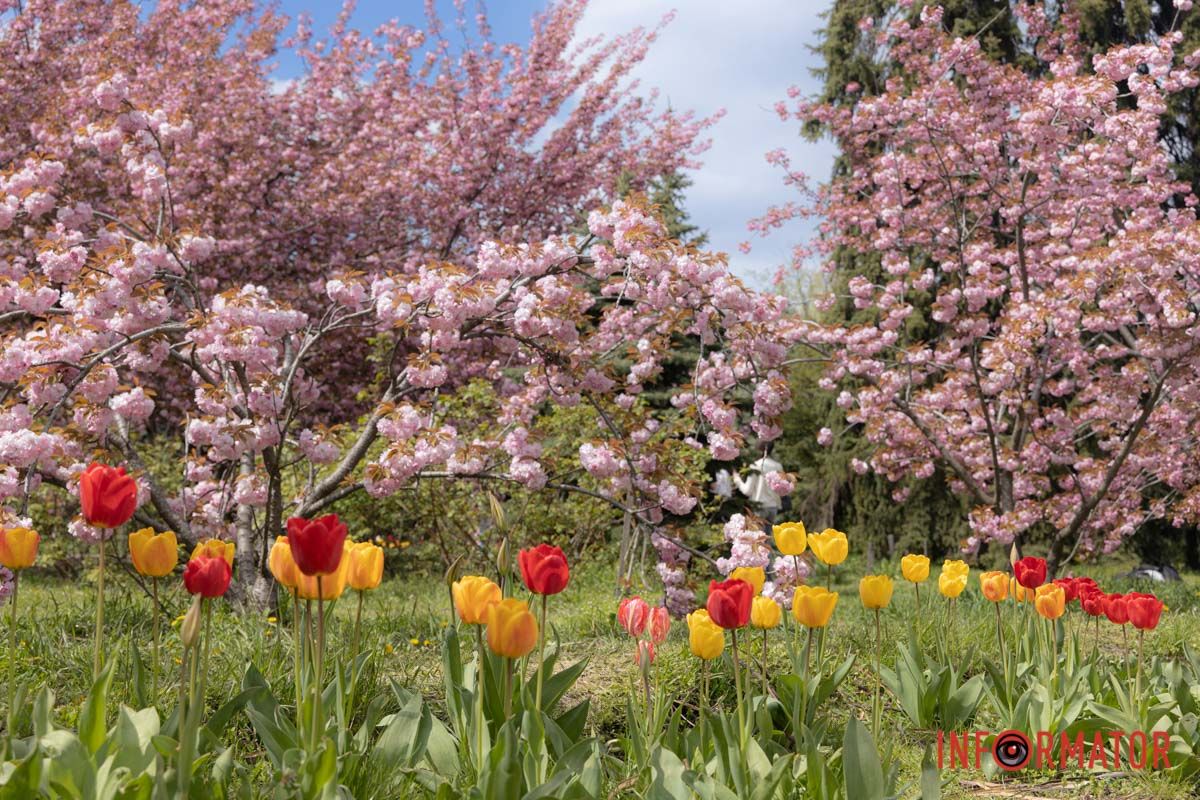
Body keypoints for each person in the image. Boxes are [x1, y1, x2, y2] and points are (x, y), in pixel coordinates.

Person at [733, 456, 782, 522]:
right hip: (773, 506)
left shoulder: (755, 466)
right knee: (769, 531)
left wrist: (737, 479)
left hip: (759, 506)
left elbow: (747, 491)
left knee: (758, 531)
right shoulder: (778, 466)